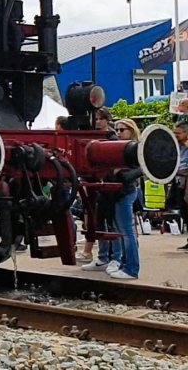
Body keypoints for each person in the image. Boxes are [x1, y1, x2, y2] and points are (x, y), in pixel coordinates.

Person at [76, 107, 118, 264]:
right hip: (97, 185)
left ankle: (108, 255)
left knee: (107, 220)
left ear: (107, 120)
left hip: (107, 184)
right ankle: (102, 254)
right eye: (96, 119)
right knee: (98, 219)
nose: (98, 122)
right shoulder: (94, 136)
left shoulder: (112, 137)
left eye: (101, 119)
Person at [106, 118, 143, 279]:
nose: (119, 133)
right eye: (117, 130)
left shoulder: (135, 149)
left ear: (131, 130)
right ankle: (125, 264)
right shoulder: (120, 148)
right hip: (119, 192)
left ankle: (131, 268)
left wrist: (118, 172)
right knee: (123, 231)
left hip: (125, 191)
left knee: (127, 232)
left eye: (122, 130)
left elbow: (134, 173)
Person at [171, 121, 188, 251]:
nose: (175, 135)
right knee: (183, 210)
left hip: (186, 180)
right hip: (178, 181)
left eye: (178, 133)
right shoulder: (176, 147)